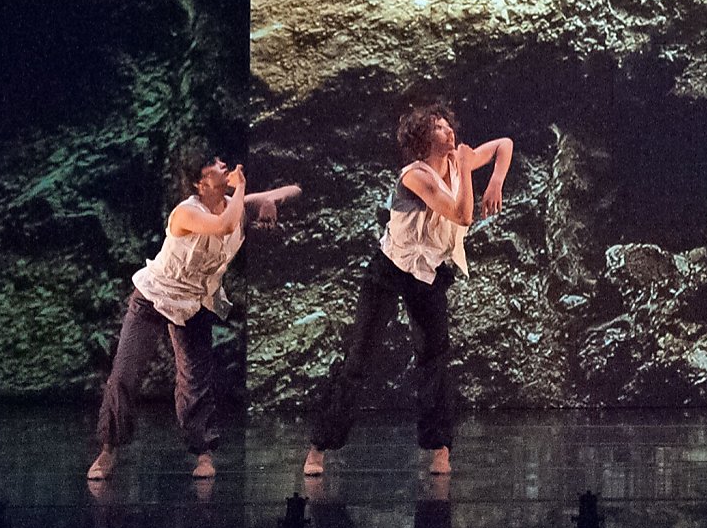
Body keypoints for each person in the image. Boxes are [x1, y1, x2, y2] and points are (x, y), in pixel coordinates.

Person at [302, 102, 512, 478]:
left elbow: (504, 145)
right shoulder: (415, 176)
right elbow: (462, 215)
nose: (449, 130)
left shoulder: (453, 161)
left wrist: (494, 180)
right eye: (439, 127)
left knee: (434, 358)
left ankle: (440, 449)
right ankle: (319, 445)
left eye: (448, 124)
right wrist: (465, 167)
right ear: (422, 139)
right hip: (390, 270)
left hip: (429, 273)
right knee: (359, 360)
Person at [87, 148, 300, 479]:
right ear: (201, 184)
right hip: (154, 296)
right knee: (124, 373)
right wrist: (243, 191)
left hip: (195, 303)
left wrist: (269, 201)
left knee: (195, 380)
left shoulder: (233, 205)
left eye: (219, 160)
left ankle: (202, 452)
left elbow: (292, 191)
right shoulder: (187, 213)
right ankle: (108, 451)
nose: (222, 164)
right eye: (213, 165)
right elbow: (222, 225)